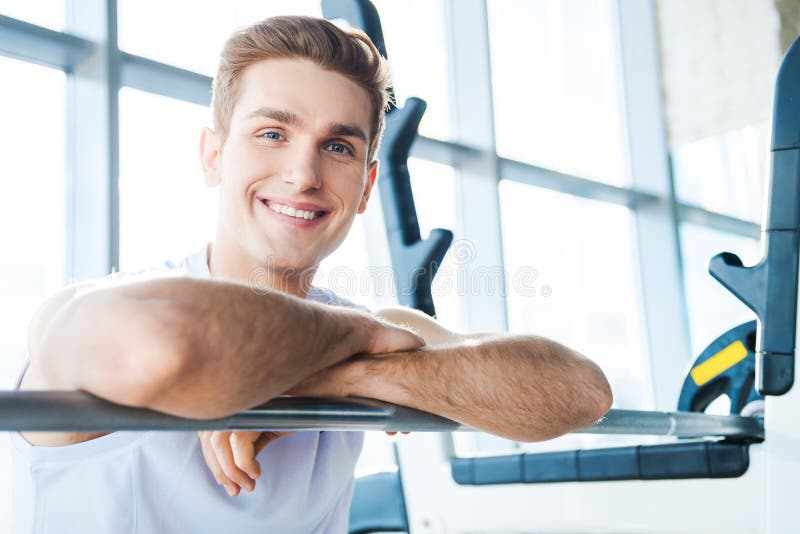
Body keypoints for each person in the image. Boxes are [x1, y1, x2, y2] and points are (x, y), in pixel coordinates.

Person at [10, 15, 613, 533]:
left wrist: (329, 383)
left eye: (340, 147)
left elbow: (580, 393)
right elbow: (173, 343)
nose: (303, 174)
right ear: (213, 155)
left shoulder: (369, 334)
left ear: (368, 186)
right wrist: (364, 357)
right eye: (272, 133)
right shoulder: (88, 314)